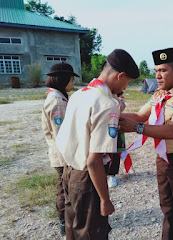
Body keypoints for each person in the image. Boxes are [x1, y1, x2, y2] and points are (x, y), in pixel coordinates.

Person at [56, 49, 139, 240]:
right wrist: (105, 199)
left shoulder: (80, 94)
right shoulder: (106, 104)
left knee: (73, 227)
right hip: (87, 178)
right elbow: (94, 161)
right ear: (120, 76)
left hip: (70, 171)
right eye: (127, 82)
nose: (125, 87)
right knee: (91, 232)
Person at [120, 47, 173, 240]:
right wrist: (113, 116)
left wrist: (137, 128)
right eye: (156, 71)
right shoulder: (158, 95)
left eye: (163, 70)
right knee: (167, 206)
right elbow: (140, 115)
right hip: (162, 159)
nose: (158, 75)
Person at [41, 62, 79, 235]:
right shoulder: (57, 102)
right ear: (63, 80)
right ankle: (64, 220)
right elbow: (62, 134)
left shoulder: (58, 97)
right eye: (71, 80)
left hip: (61, 154)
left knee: (64, 187)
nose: (73, 84)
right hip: (63, 155)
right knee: (64, 189)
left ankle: (66, 218)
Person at [107, 91, 126, 188]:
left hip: (114, 126)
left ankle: (112, 174)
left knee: (115, 151)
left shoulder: (118, 97)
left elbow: (121, 108)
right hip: (101, 127)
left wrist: (114, 96)